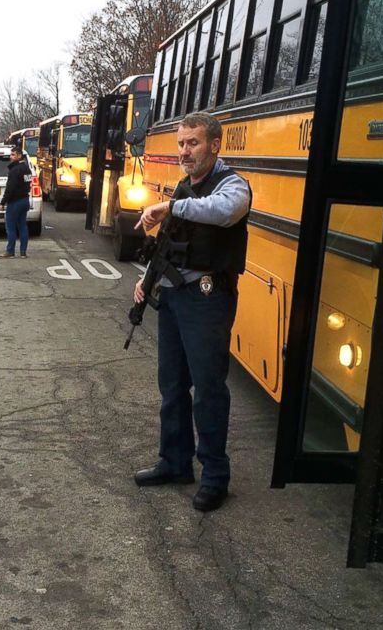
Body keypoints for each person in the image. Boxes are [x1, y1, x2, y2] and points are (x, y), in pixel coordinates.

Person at [132, 112, 251, 512]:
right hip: (174, 297)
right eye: (181, 143)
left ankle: (215, 476)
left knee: (209, 391)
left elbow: (222, 211)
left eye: (193, 143)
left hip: (207, 300)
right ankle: (175, 462)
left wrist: (170, 206)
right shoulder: (183, 187)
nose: (185, 151)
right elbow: (167, 244)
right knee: (172, 386)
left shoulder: (232, 184)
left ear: (214, 145)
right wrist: (147, 280)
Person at [0, 146, 32, 258]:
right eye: (11, 154)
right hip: (25, 200)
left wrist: (3, 202)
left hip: (15, 202)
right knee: (22, 225)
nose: (11, 157)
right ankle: (23, 252)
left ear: (19, 155)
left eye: (13, 155)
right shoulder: (27, 169)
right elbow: (28, 184)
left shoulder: (14, 170)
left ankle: (10, 251)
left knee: (10, 226)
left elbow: (10, 188)